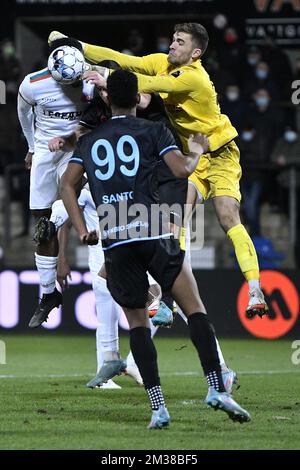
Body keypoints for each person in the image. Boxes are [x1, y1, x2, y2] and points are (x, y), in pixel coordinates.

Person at [60, 69, 250, 428]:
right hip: (153, 228)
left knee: (137, 326)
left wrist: (84, 230)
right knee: (195, 309)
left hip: (116, 239)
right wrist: (195, 151)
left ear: (106, 98)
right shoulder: (153, 130)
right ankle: (216, 389)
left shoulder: (89, 141)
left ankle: (158, 407)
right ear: (137, 98)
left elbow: (66, 184)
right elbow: (181, 171)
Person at [49, 23, 268, 319]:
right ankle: (167, 299)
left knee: (228, 215)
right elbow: (125, 59)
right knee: (172, 226)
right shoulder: (162, 63)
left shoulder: (195, 78)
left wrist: (103, 75)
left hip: (219, 153)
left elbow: (151, 85)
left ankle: (254, 288)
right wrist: (77, 45)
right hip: (193, 156)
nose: (173, 45)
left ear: (196, 52)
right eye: (174, 40)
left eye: (180, 42)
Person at [17, 37, 95, 328]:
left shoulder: (91, 77)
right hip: (44, 149)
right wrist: (32, 147)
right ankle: (48, 294)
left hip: (76, 149)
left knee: (69, 190)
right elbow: (23, 114)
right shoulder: (32, 84)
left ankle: (60, 215)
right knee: (42, 227)